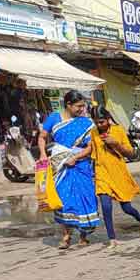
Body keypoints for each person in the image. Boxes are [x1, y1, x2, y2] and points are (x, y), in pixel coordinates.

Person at [38, 90, 100, 249]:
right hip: (60, 165)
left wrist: (75, 158)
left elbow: (90, 146)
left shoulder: (86, 123)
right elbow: (42, 137)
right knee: (64, 199)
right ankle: (66, 235)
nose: (82, 109)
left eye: (83, 106)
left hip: (81, 165)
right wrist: (43, 154)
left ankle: (84, 235)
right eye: (78, 106)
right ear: (68, 105)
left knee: (84, 198)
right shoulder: (54, 118)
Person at [90, 106, 140, 248]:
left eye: (102, 122)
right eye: (96, 122)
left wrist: (115, 144)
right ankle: (112, 239)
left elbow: (130, 154)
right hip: (101, 172)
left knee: (126, 207)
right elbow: (94, 153)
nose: (99, 125)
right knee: (105, 205)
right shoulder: (93, 133)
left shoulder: (118, 131)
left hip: (118, 172)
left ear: (108, 119)